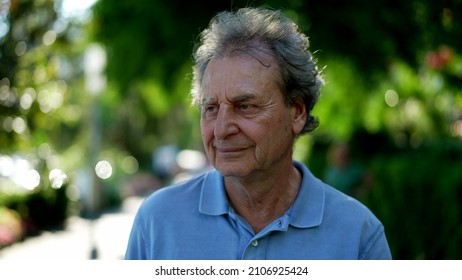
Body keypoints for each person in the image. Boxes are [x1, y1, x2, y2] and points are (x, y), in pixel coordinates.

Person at [125, 6, 392, 260]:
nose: (221, 129)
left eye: (244, 106)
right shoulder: (157, 221)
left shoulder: (358, 236)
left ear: (297, 112)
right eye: (211, 108)